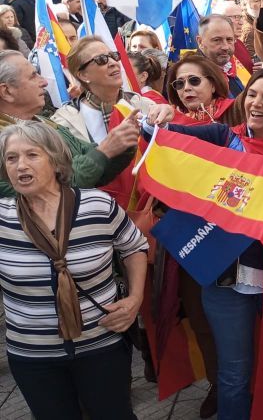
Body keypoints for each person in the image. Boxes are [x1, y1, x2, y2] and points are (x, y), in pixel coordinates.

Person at [144, 67, 263, 419]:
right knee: (234, 374)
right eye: (252, 94)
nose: (256, 103)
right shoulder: (224, 138)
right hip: (226, 282)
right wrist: (154, 117)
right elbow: (166, 136)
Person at [0, 121, 148, 420]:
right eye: (11, 158)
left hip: (102, 344)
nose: (20, 166)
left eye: (31, 155)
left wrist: (134, 300)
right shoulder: (2, 218)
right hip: (32, 355)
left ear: (55, 160)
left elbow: (134, 247)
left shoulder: (96, 205)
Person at [0, 51, 138, 198]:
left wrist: (124, 143)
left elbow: (97, 167)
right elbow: (53, 189)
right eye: (33, 76)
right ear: (6, 91)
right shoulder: (4, 140)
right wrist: (105, 150)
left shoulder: (43, 121)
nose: (44, 82)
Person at [52, 37, 154, 208]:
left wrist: (166, 120)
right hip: (97, 209)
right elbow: (70, 176)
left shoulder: (143, 105)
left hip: (148, 205)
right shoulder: (64, 121)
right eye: (101, 60)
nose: (114, 63)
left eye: (114, 56)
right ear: (83, 75)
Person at [165, 54, 236, 125]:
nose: (186, 88)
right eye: (180, 83)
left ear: (213, 85)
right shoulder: (168, 120)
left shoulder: (235, 112)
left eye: (194, 80)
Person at [196, 15, 245, 97]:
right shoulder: (195, 78)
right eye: (217, 40)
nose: (225, 47)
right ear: (200, 42)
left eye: (229, 40)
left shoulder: (231, 72)